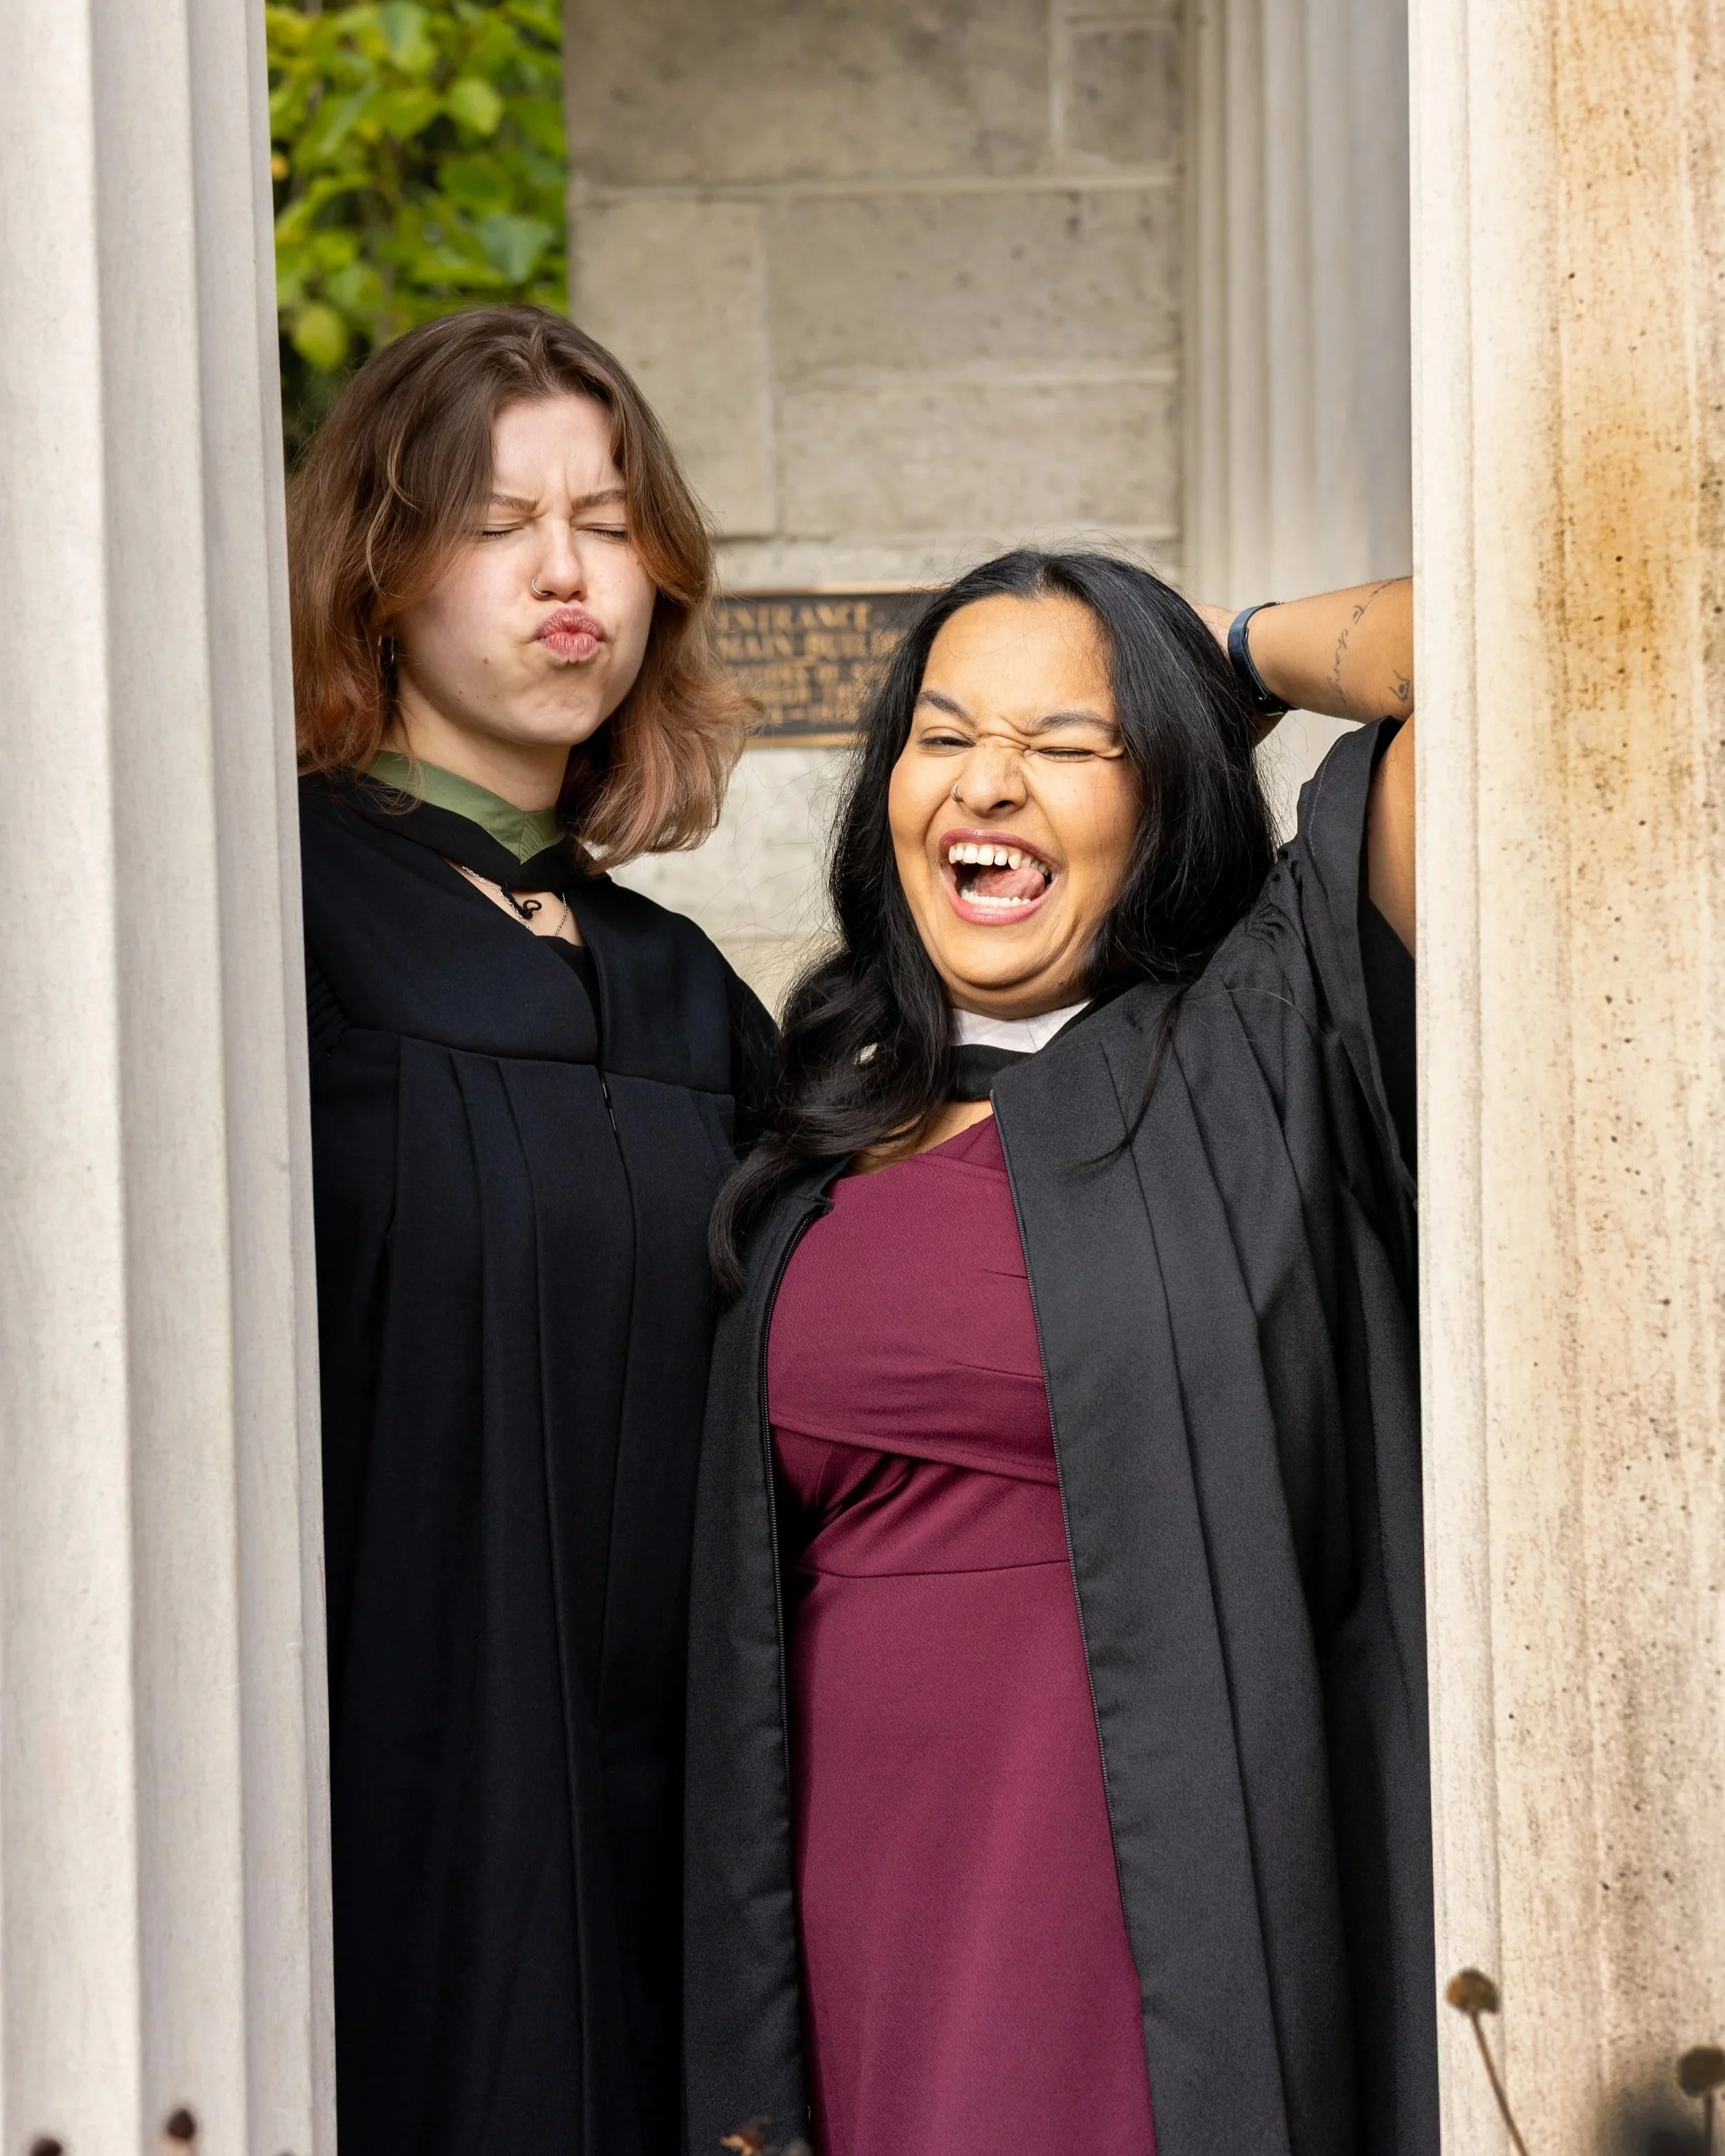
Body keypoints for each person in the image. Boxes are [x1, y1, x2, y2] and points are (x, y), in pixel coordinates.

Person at [684, 553, 1426, 2156]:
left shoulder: (1253, 1046)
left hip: (1143, 1894)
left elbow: (1502, 633)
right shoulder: (818, 1119)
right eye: (941, 735)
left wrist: (1227, 656)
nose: (987, 781)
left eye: (1067, 740)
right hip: (851, 1910)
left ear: (1162, 792)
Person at [289, 305, 774, 2155]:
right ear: (382, 572)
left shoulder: (686, 993)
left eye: (607, 517)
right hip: (404, 1788)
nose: (569, 574)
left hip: (672, 1818)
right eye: (498, 526)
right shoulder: (279, 921)